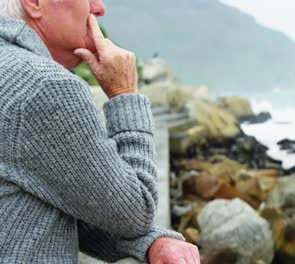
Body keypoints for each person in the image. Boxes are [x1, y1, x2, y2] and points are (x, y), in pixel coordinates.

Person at [0, 0, 200, 263]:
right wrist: (124, 93)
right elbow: (135, 214)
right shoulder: (46, 87)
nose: (100, 7)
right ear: (35, 3)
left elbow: (50, 199)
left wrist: (149, 244)